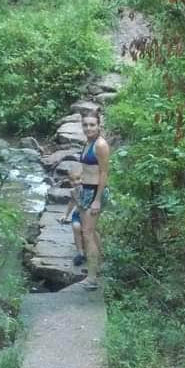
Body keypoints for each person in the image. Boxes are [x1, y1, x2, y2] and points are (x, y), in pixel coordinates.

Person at [77, 109, 110, 290]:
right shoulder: (87, 142)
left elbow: (104, 173)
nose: (88, 128)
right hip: (85, 191)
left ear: (98, 126)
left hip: (95, 192)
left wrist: (97, 200)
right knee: (90, 230)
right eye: (85, 124)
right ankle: (100, 264)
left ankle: (91, 278)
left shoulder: (100, 145)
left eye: (92, 125)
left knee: (87, 234)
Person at [58, 165, 86, 267]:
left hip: (87, 216)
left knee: (86, 232)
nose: (76, 182)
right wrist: (65, 214)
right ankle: (80, 252)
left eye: (78, 179)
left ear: (84, 177)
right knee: (76, 227)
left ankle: (89, 250)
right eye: (72, 180)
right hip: (77, 214)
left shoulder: (88, 190)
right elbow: (72, 203)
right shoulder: (73, 192)